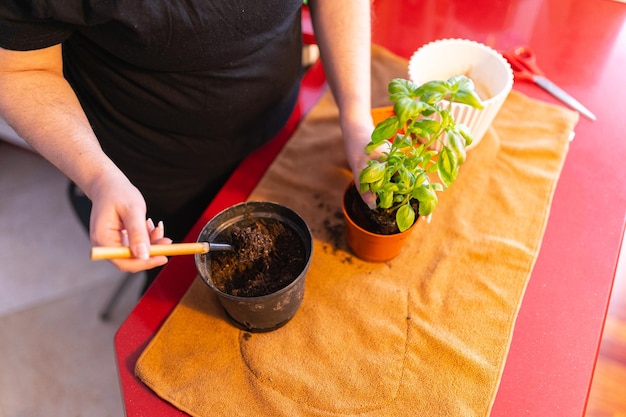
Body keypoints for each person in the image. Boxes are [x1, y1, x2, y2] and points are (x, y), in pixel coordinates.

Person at [0, 1, 375, 288]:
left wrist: (356, 118)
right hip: (151, 173)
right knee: (179, 296)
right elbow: (20, 70)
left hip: (277, 131)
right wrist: (98, 177)